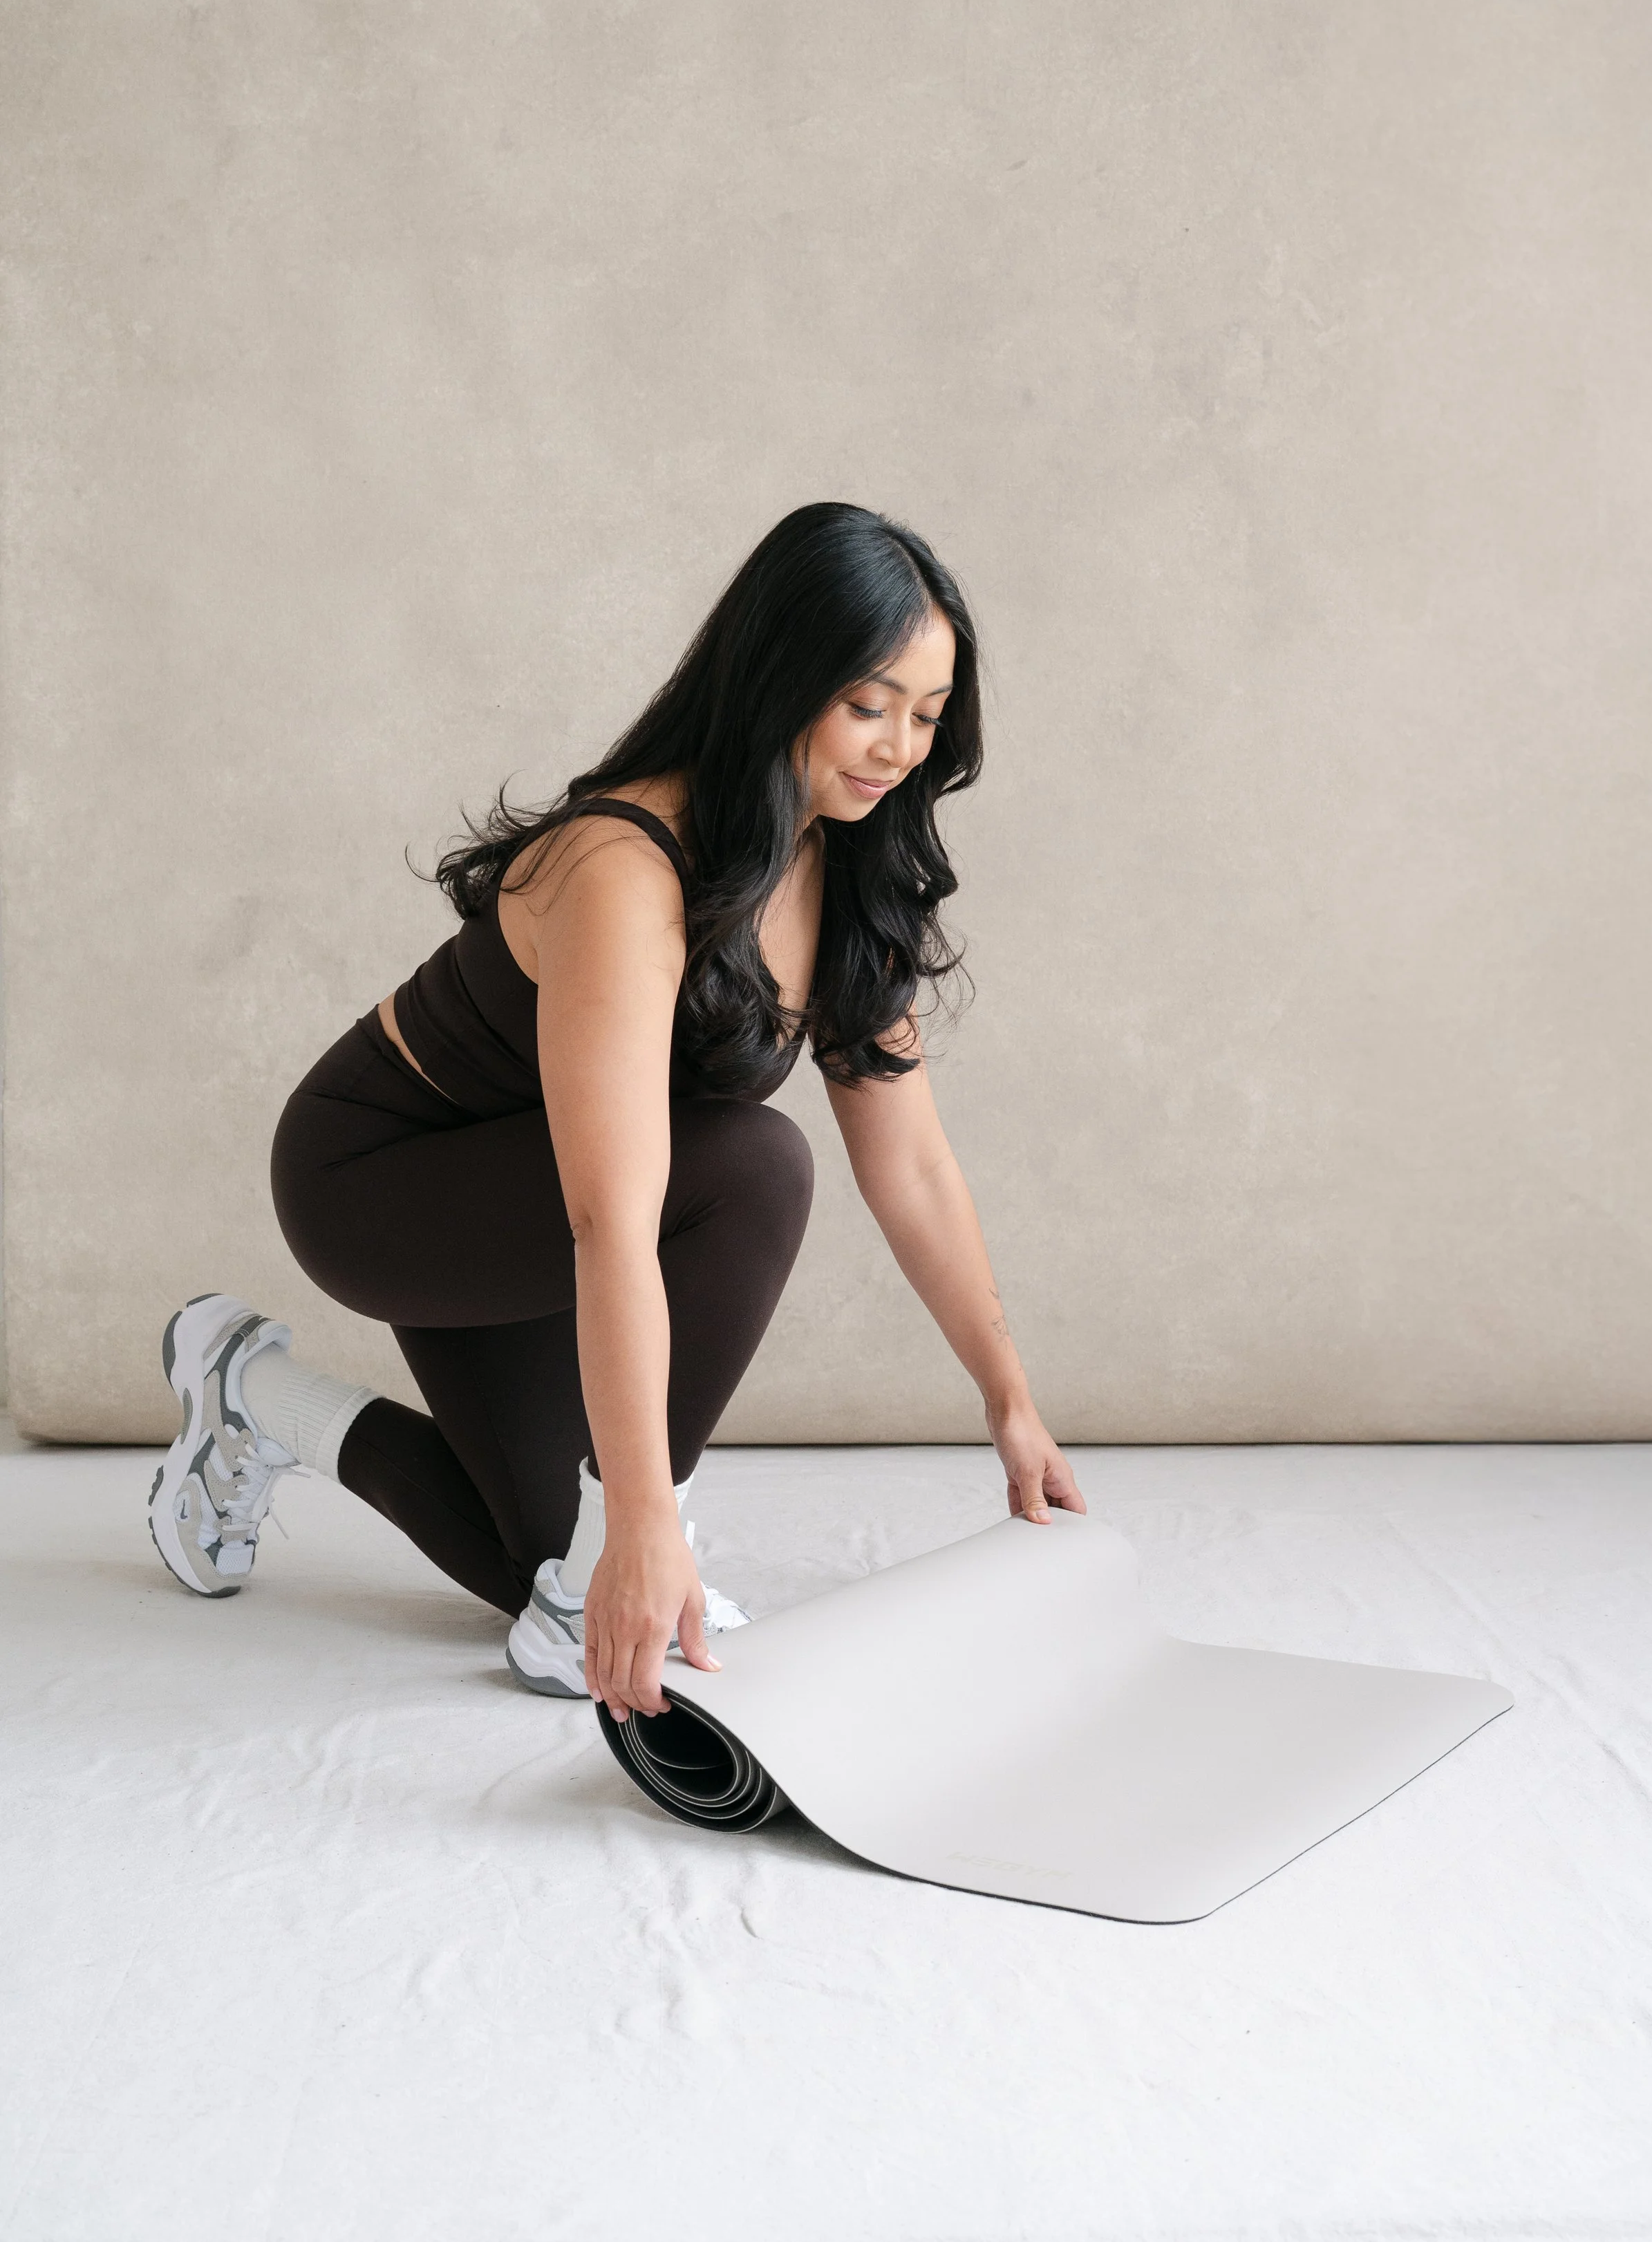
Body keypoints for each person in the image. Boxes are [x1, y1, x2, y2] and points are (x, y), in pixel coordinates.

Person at [148, 501, 1085, 1724]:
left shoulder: (848, 864)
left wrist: (1010, 1403)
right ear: (780, 678)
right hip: (385, 1182)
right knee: (756, 1166)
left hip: (545, 1197)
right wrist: (646, 1520)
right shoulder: (625, 865)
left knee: (547, 1573)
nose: (902, 746)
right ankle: (616, 1541)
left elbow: (912, 1168)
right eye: (870, 704)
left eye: (929, 713)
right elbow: (614, 1212)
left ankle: (252, 1393)